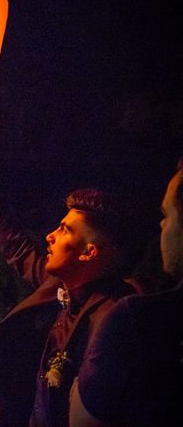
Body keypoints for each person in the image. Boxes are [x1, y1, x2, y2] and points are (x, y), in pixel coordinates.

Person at [0, 135, 138, 427]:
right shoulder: (58, 286)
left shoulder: (113, 317)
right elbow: (16, 247)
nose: (49, 236)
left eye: (64, 229)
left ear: (88, 252)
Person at [69, 158, 183, 426]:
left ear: (89, 252)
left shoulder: (137, 319)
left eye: (167, 215)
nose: (161, 226)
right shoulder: (59, 294)